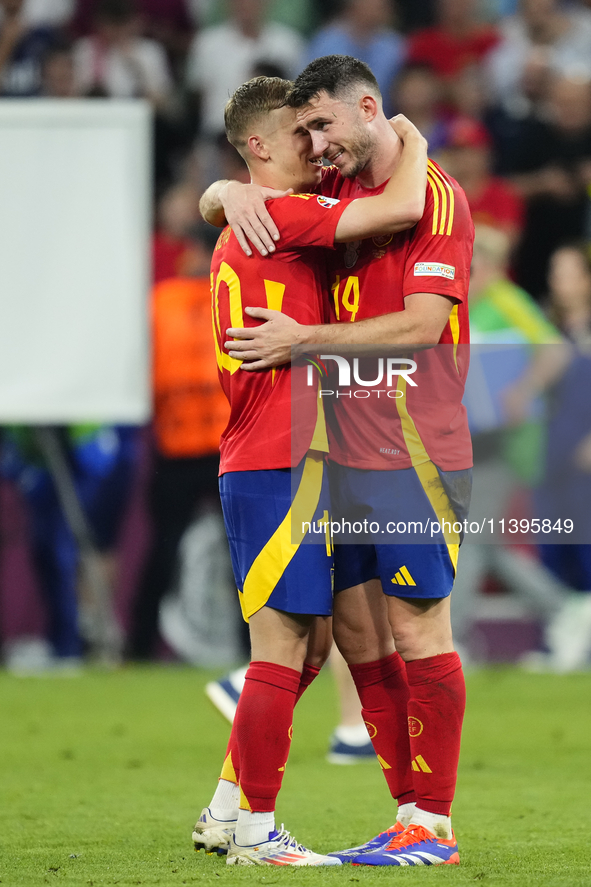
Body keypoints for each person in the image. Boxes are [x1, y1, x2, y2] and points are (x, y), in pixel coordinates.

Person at [200, 54, 474, 867]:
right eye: (303, 132)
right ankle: (382, 811)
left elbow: (422, 327)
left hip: (412, 447)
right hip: (330, 449)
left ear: (366, 109)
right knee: (348, 637)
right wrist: (226, 190)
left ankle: (430, 823)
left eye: (323, 126)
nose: (317, 145)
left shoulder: (427, 197)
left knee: (414, 625)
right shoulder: (327, 197)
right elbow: (235, 195)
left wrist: (303, 338)